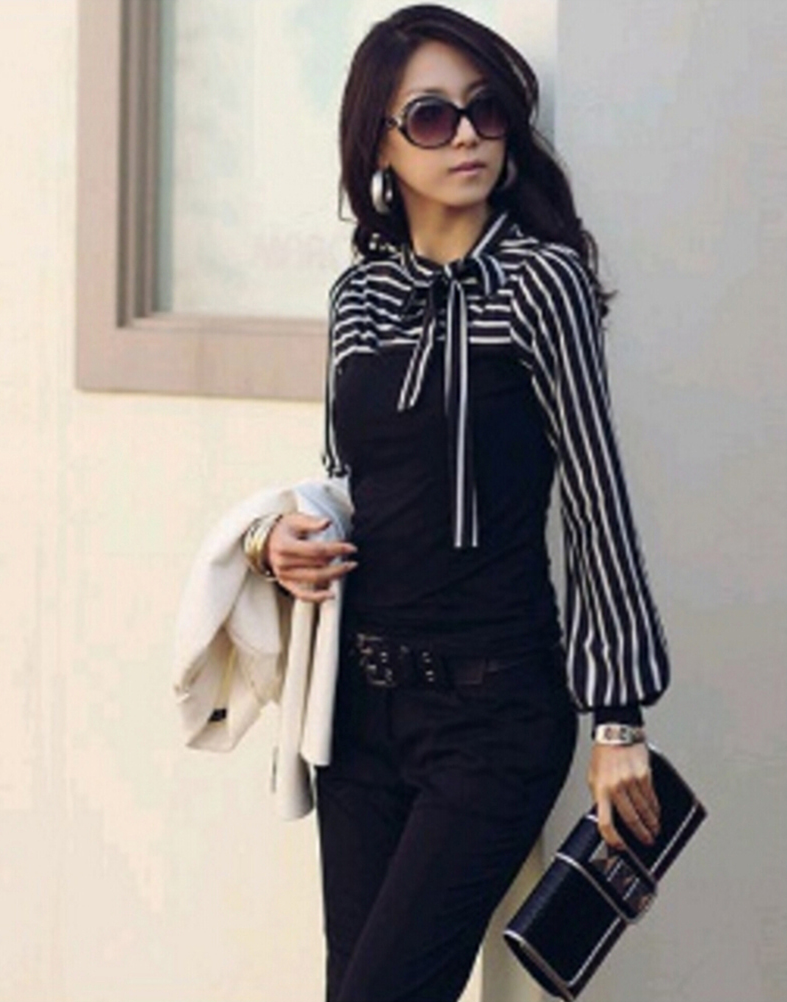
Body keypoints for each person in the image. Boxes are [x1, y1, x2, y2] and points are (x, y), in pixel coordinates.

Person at [249, 5, 670, 1000]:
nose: (470, 136)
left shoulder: (542, 283)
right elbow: (345, 486)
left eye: (487, 111)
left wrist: (618, 717)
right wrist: (275, 542)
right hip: (361, 718)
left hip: (494, 718)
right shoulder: (357, 297)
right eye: (434, 117)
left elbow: (597, 496)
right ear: (380, 146)